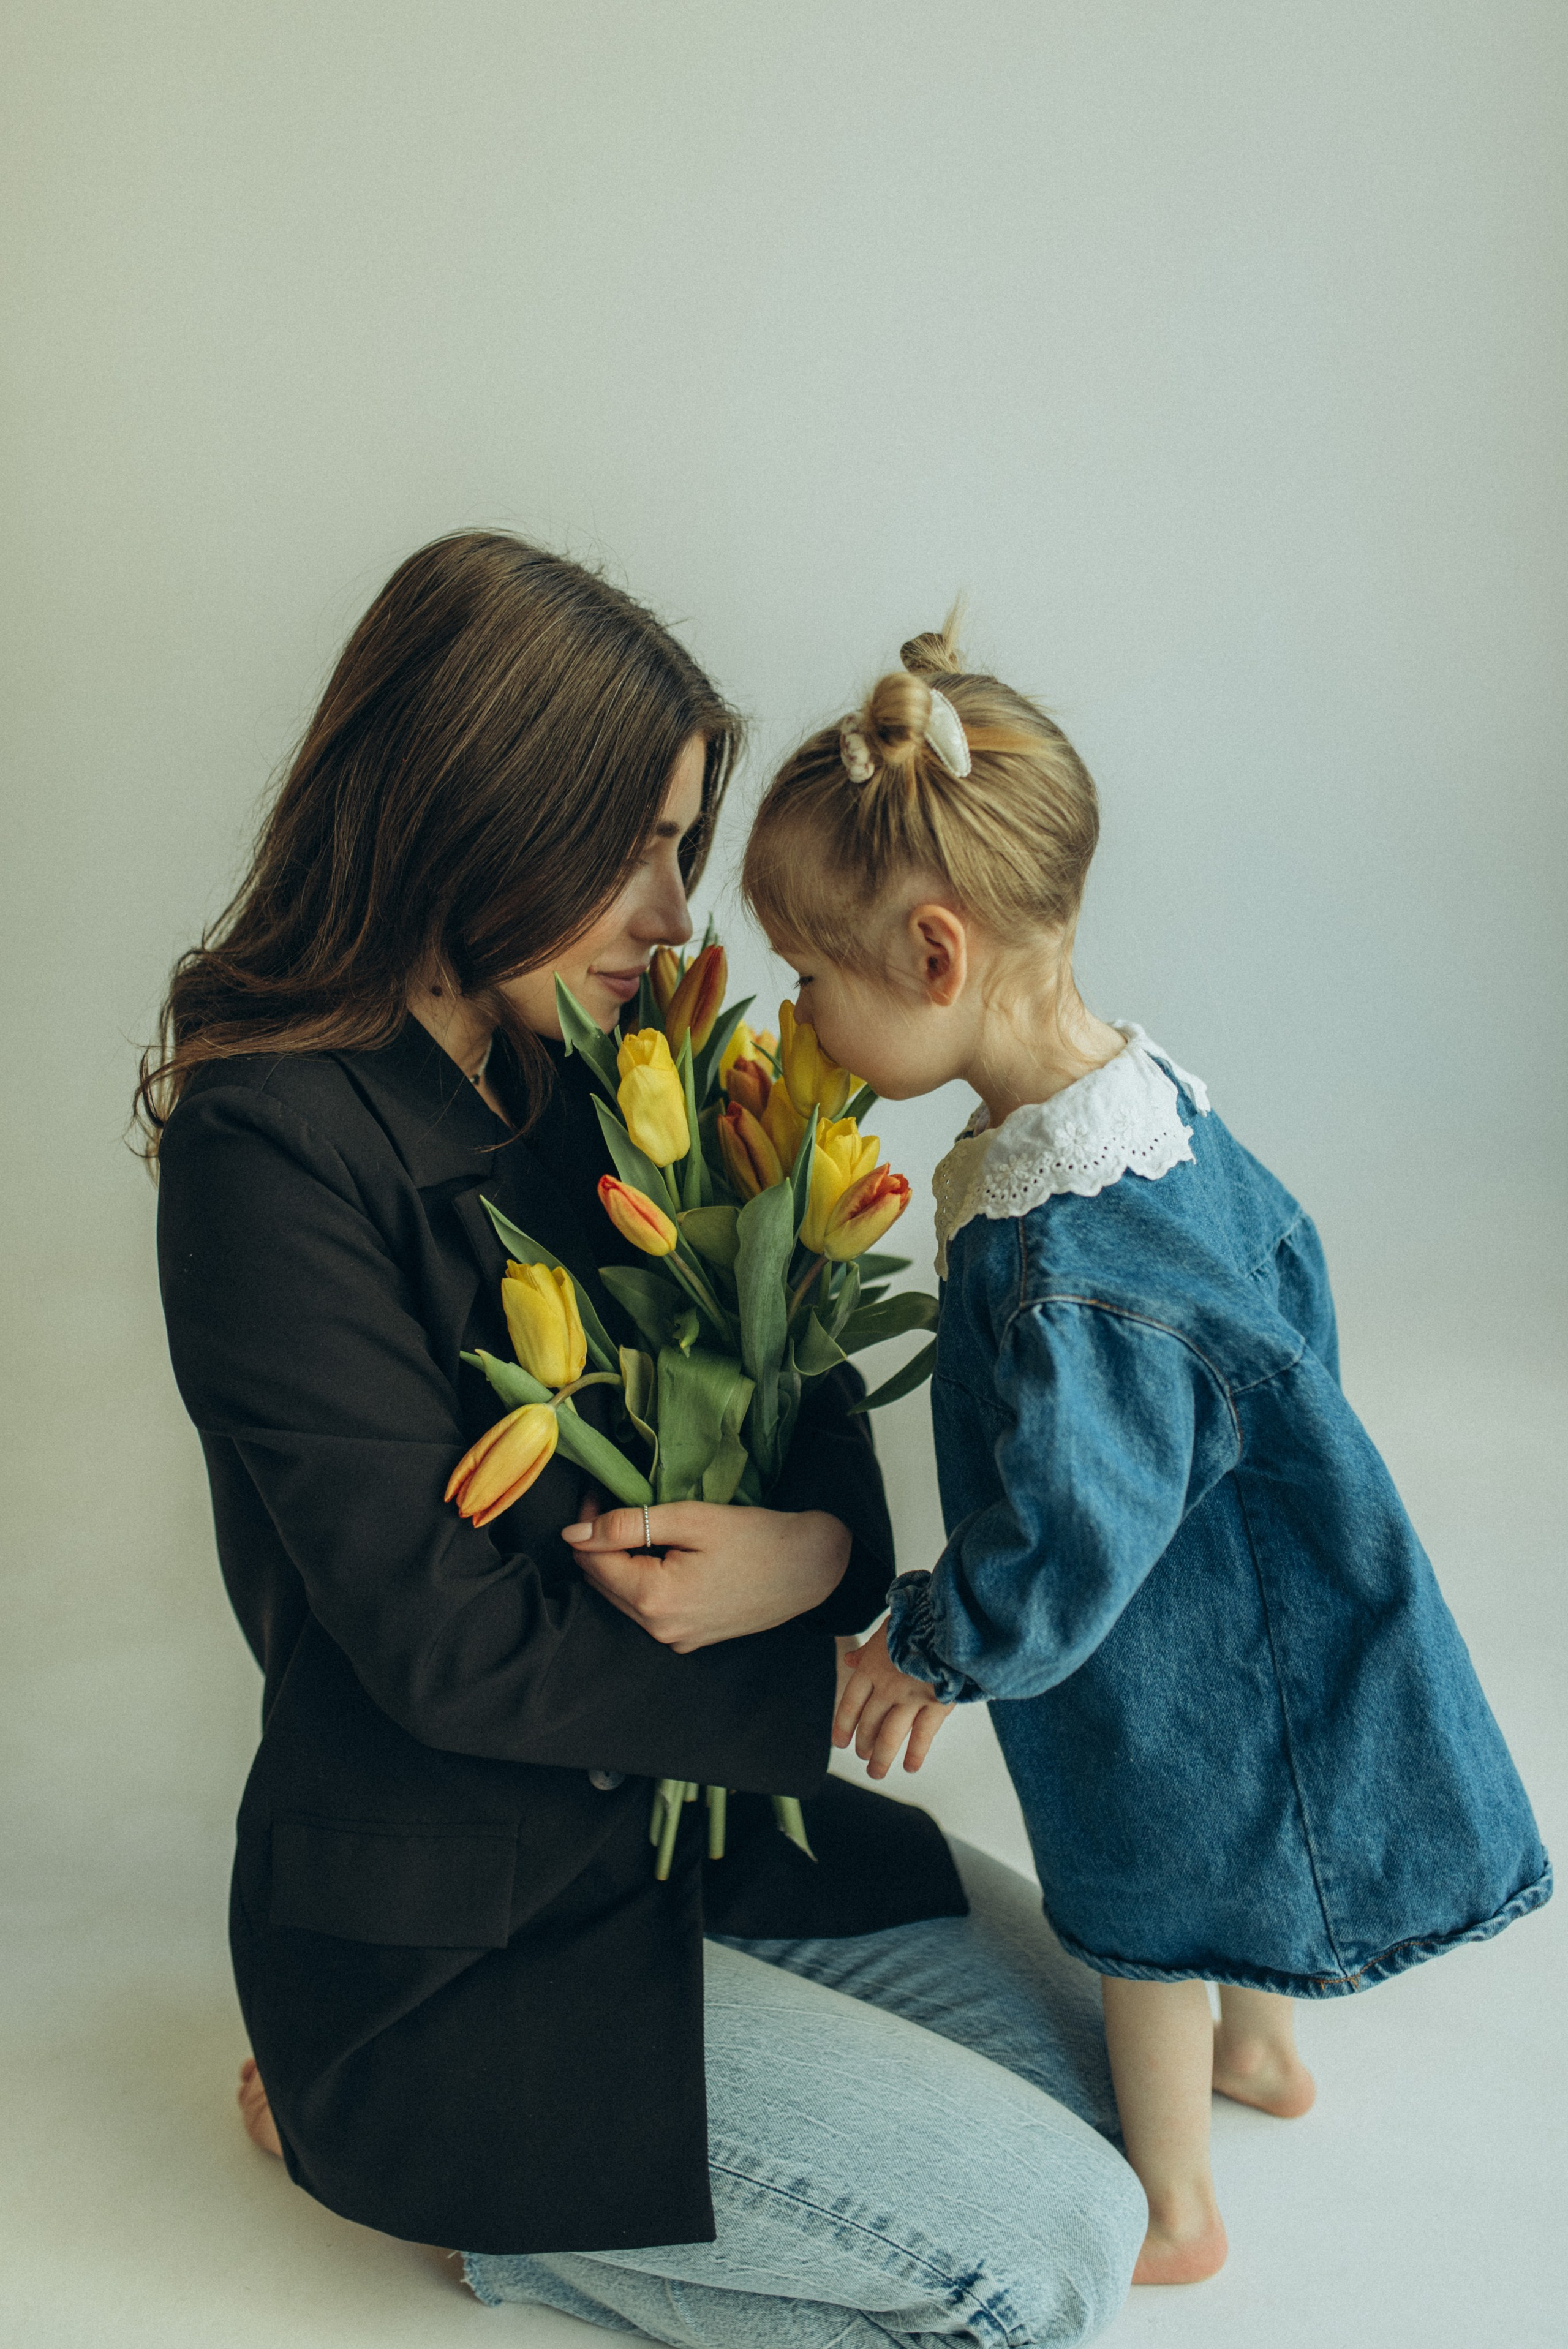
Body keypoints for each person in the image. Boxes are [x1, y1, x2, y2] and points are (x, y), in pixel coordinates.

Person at [142, 533, 1145, 2346]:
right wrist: (820, 1684)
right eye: (636, 846)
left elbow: (810, 1386)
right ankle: (419, 2169)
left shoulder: (588, 1066)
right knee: (1053, 2252)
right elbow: (443, 1642)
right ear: (477, 808)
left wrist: (828, 1554)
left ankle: (532, 2185)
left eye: (682, 843)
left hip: (697, 1841)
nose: (678, 911)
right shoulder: (268, 1154)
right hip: (451, 1939)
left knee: (1111, 2080)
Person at [741, 614, 1551, 2288]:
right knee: (1254, 1813)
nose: (802, 1019)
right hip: (1245, 1553)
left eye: (814, 977)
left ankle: (1176, 2204)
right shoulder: (1142, 1103)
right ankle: (1268, 2046)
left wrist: (931, 1640)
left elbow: (1059, 1531)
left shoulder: (1067, 1256)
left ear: (939, 957)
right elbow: (1294, 1268)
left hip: (1155, 1626)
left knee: (1148, 1885)